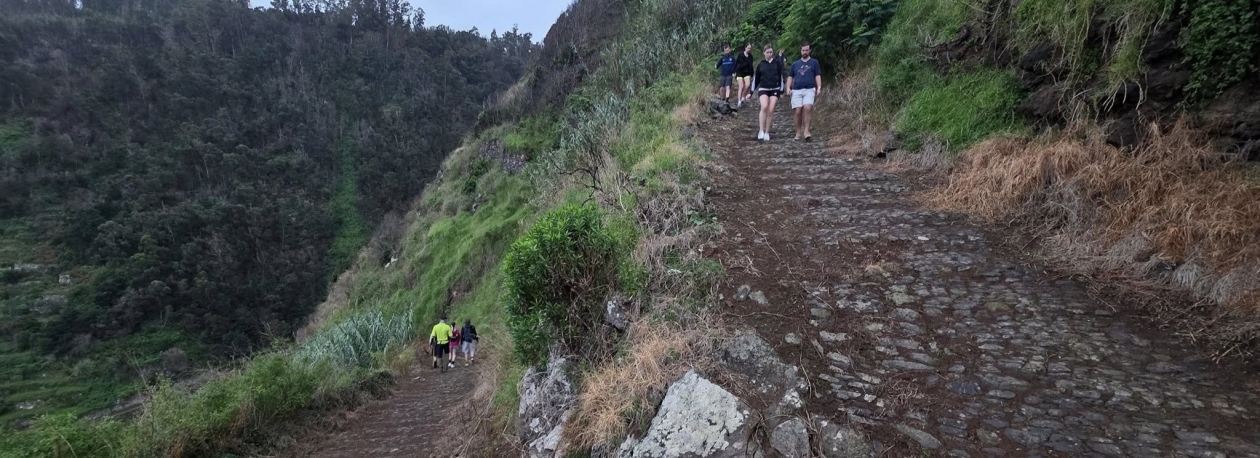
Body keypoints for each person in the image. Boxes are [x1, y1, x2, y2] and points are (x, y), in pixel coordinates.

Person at [787, 42, 823, 141]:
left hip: (809, 89)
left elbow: (817, 75)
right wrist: (788, 88)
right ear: (801, 50)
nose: (805, 52)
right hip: (796, 90)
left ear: (810, 50)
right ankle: (798, 132)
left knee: (808, 107)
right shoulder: (795, 64)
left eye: (806, 50)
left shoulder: (814, 62)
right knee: (798, 111)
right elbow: (790, 76)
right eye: (803, 50)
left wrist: (819, 87)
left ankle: (807, 131)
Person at [750, 45, 785, 141]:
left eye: (771, 52)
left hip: (775, 88)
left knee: (771, 109)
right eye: (767, 52)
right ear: (764, 53)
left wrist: (782, 90)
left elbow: (781, 77)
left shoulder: (777, 63)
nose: (769, 54)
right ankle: (761, 130)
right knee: (764, 106)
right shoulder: (761, 64)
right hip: (763, 88)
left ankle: (767, 132)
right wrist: (751, 92)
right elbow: (756, 79)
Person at [734, 43, 755, 108]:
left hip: (747, 73)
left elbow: (751, 66)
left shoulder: (751, 56)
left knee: (748, 84)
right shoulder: (740, 55)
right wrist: (734, 71)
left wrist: (752, 74)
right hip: (739, 72)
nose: (749, 49)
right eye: (748, 48)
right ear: (745, 48)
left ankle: (743, 96)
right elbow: (736, 63)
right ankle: (739, 101)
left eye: (750, 48)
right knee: (741, 86)